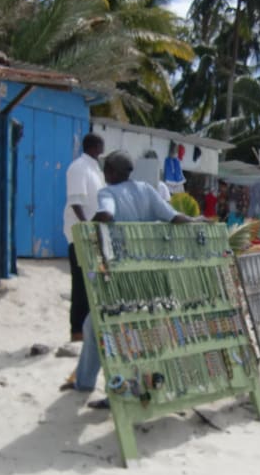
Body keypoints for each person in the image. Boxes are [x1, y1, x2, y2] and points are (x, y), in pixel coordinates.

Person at [61, 151, 205, 404]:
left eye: (106, 170)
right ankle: (84, 382)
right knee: (93, 325)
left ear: (112, 173)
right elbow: (174, 217)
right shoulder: (147, 190)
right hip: (149, 276)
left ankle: (118, 392)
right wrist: (196, 221)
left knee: (117, 331)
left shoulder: (108, 193)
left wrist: (89, 226)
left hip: (121, 277)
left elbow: (106, 214)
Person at [63, 133, 105, 342]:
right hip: (80, 235)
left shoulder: (95, 169)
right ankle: (77, 331)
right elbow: (75, 200)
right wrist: (87, 227)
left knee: (92, 283)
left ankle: (88, 328)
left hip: (94, 235)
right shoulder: (79, 167)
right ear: (95, 146)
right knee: (80, 284)